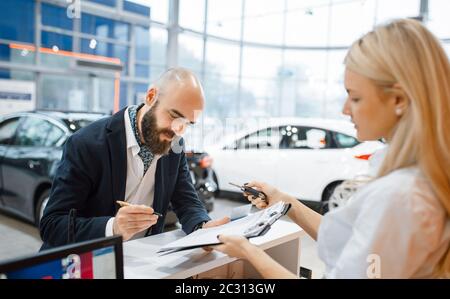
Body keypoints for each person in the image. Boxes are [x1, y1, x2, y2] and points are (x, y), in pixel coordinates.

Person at [212, 19, 450, 278]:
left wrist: (249, 252)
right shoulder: (414, 178)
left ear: (399, 99)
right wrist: (285, 201)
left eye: (355, 97)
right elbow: (348, 241)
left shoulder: (398, 194)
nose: (345, 109)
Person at [40, 68, 229, 250]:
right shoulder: (86, 144)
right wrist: (112, 228)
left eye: (187, 123)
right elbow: (52, 225)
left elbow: (187, 202)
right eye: (174, 116)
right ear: (150, 96)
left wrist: (202, 227)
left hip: (142, 265)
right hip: (88, 263)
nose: (178, 131)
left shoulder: (175, 145)